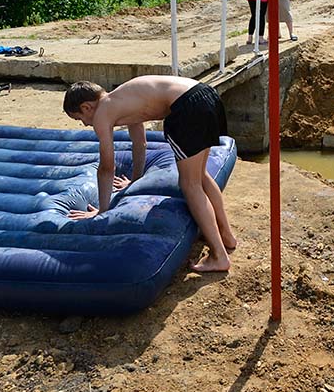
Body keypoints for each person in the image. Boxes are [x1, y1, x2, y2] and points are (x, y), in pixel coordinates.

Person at [62, 76, 236, 272]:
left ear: (86, 107)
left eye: (80, 119)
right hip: (205, 94)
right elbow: (139, 143)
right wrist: (135, 181)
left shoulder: (102, 113)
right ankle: (227, 236)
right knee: (201, 176)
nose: (85, 124)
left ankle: (219, 256)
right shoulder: (123, 98)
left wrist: (102, 211)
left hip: (186, 107)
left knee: (189, 184)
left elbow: (106, 167)